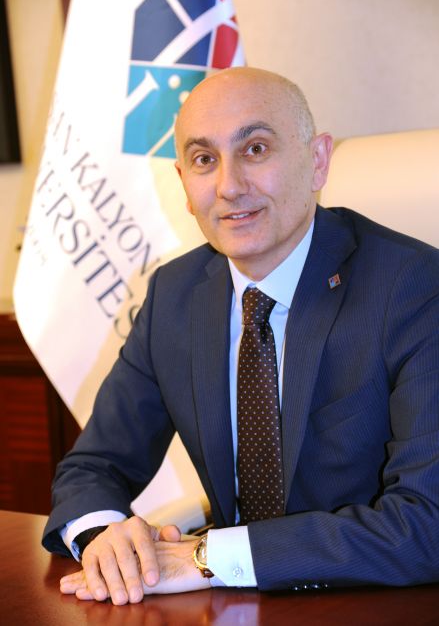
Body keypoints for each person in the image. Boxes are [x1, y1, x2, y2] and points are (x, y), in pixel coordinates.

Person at [43, 67, 439, 604]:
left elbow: (426, 524)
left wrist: (210, 557)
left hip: (373, 601)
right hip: (232, 606)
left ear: (318, 161)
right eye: (204, 159)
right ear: (184, 185)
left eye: (255, 149)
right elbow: (95, 465)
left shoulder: (414, 287)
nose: (229, 186)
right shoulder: (175, 295)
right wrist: (106, 539)